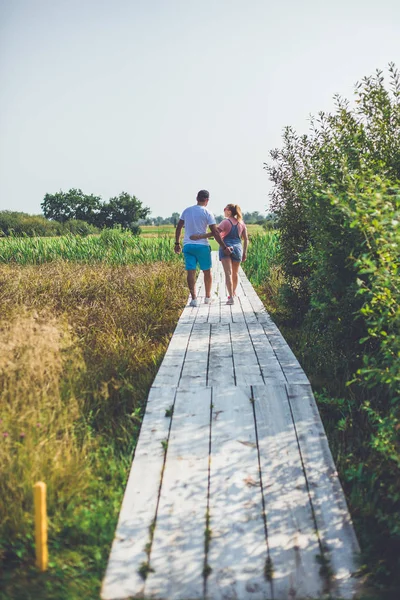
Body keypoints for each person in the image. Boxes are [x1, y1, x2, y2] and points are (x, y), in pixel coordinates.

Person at [174, 190, 232, 307]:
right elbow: (215, 232)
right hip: (202, 246)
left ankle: (194, 299)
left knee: (191, 271)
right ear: (207, 200)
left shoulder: (187, 210)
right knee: (207, 271)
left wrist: (177, 243)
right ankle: (207, 297)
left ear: (197, 198)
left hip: (188, 245)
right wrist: (224, 246)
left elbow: (179, 227)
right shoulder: (207, 212)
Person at [190, 203, 248, 305]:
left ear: (229, 211)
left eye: (225, 209)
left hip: (225, 247)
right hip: (238, 248)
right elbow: (246, 239)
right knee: (235, 273)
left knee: (228, 273)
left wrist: (199, 236)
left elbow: (214, 233)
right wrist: (245, 252)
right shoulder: (241, 223)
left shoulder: (225, 222)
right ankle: (233, 293)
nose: (224, 211)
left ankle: (231, 298)